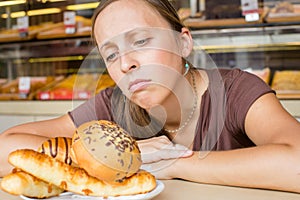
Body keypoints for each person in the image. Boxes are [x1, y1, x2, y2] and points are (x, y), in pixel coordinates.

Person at [1, 0, 300, 194]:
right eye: (111, 53)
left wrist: (174, 164)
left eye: (141, 40)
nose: (125, 64)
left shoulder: (237, 91)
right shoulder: (112, 104)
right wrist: (127, 156)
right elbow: (6, 149)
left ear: (183, 43)